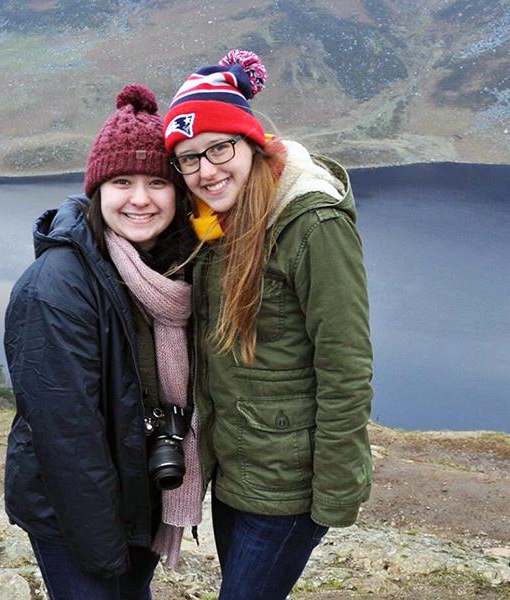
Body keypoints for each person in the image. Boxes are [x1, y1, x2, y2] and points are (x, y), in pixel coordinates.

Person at [162, 50, 374, 600]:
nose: (206, 170)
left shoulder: (311, 224)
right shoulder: (216, 225)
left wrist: (333, 493)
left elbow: (345, 364)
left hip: (289, 487)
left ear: (250, 144)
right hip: (236, 472)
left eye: (219, 148)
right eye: (188, 159)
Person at [3, 84, 202, 600]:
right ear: (96, 191)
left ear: (178, 192)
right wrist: (106, 554)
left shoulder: (171, 270)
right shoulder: (56, 287)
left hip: (135, 498)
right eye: (121, 181)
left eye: (157, 181)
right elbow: (66, 438)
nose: (140, 198)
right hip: (77, 517)